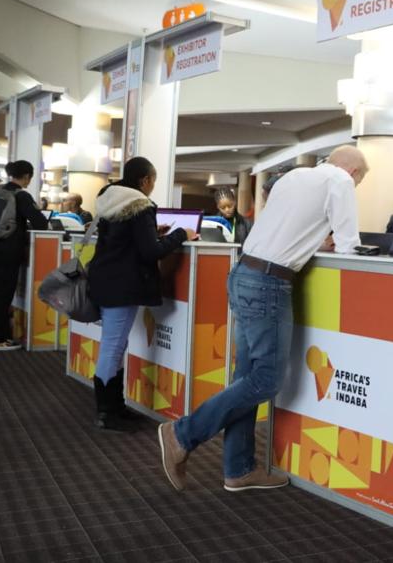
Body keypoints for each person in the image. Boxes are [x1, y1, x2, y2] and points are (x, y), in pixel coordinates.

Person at [158, 145, 367, 492]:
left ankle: (238, 469)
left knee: (247, 376)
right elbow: (349, 245)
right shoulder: (341, 181)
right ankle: (182, 433)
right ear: (354, 173)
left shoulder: (293, 176)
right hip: (269, 283)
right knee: (267, 380)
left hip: (244, 274)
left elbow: (286, 230)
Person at [87, 157, 198, 432]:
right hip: (123, 285)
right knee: (113, 346)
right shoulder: (140, 206)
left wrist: (153, 232)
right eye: (153, 181)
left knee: (115, 345)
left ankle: (115, 406)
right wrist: (181, 233)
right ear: (145, 181)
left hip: (104, 279)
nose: (152, 187)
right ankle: (105, 412)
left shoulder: (110, 199)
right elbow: (152, 253)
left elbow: (125, 241)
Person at [0, 161, 49, 351]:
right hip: (7, 251)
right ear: (26, 176)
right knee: (2, 294)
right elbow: (41, 223)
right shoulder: (21, 195)